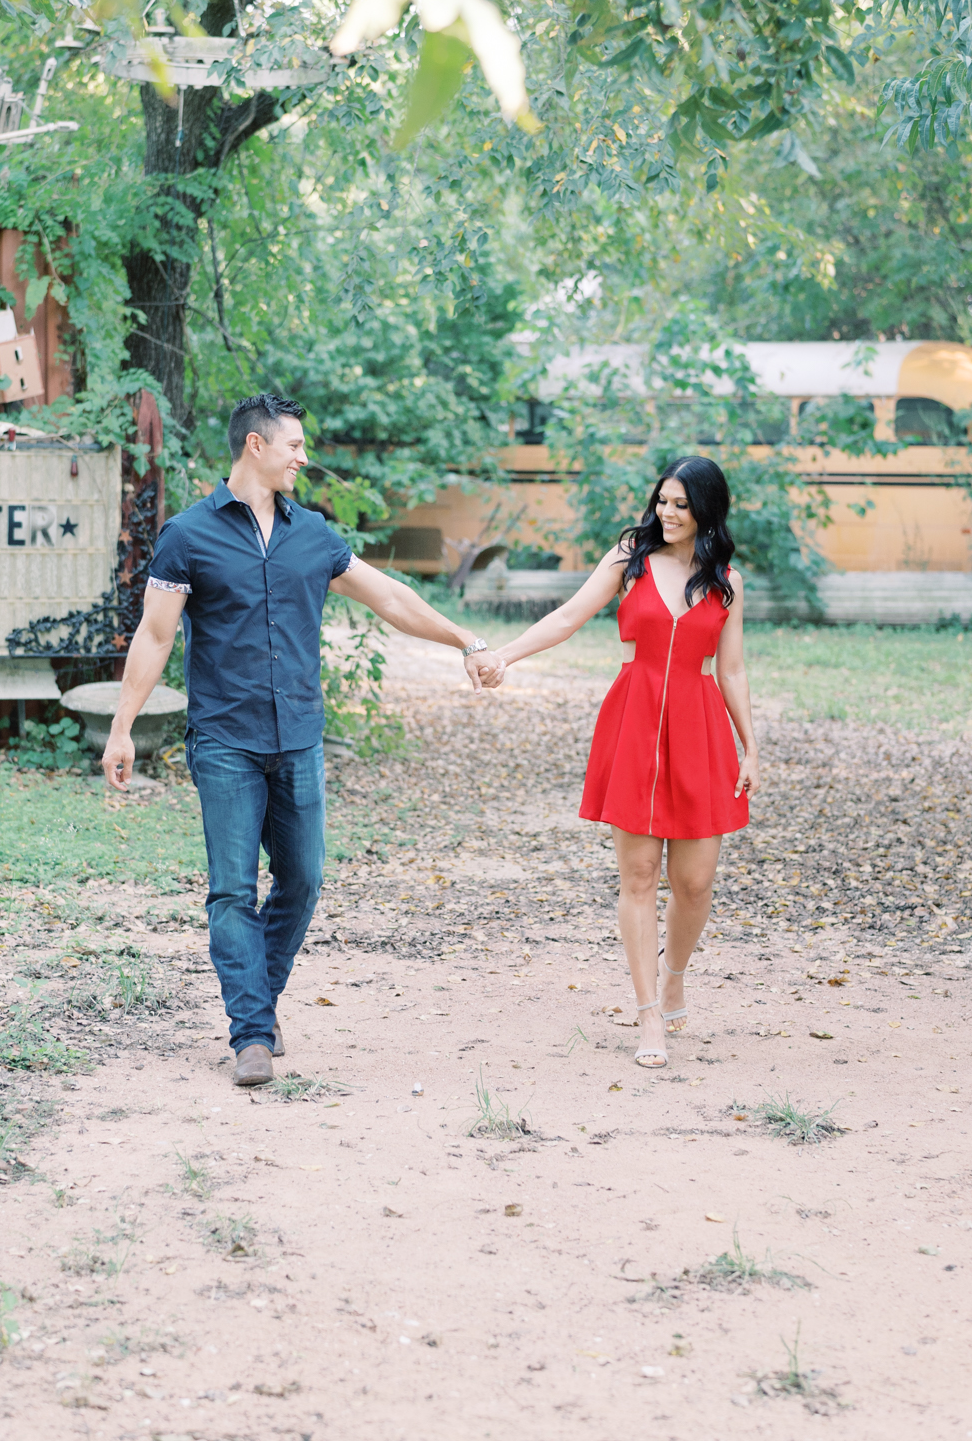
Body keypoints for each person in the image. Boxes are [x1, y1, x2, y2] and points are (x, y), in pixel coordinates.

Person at [102, 392, 496, 1087]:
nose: (303, 457)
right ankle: (251, 1033)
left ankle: (260, 993)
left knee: (305, 877)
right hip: (224, 738)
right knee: (231, 891)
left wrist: (464, 637)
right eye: (294, 445)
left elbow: (392, 598)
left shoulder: (312, 533)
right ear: (256, 445)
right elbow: (156, 634)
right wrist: (123, 727)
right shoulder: (188, 535)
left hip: (299, 740)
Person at [477, 457, 758, 1068]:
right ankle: (648, 1013)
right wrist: (505, 655)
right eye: (663, 500)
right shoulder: (628, 559)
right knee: (637, 877)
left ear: (708, 509)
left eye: (682, 504)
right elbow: (568, 617)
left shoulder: (727, 581)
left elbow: (731, 669)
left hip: (699, 726)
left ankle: (675, 972)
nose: (668, 513)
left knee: (695, 881)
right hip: (633, 722)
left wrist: (750, 746)